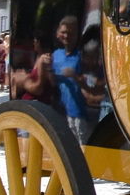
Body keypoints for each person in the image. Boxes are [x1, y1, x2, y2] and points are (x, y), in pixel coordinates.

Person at [39, 15, 91, 143]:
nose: (66, 36)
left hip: (79, 112)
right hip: (61, 111)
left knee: (82, 146)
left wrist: (75, 76)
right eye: (63, 32)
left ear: (76, 35)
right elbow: (53, 83)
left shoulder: (82, 56)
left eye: (70, 33)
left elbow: (92, 88)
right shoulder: (56, 55)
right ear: (58, 34)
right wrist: (48, 68)